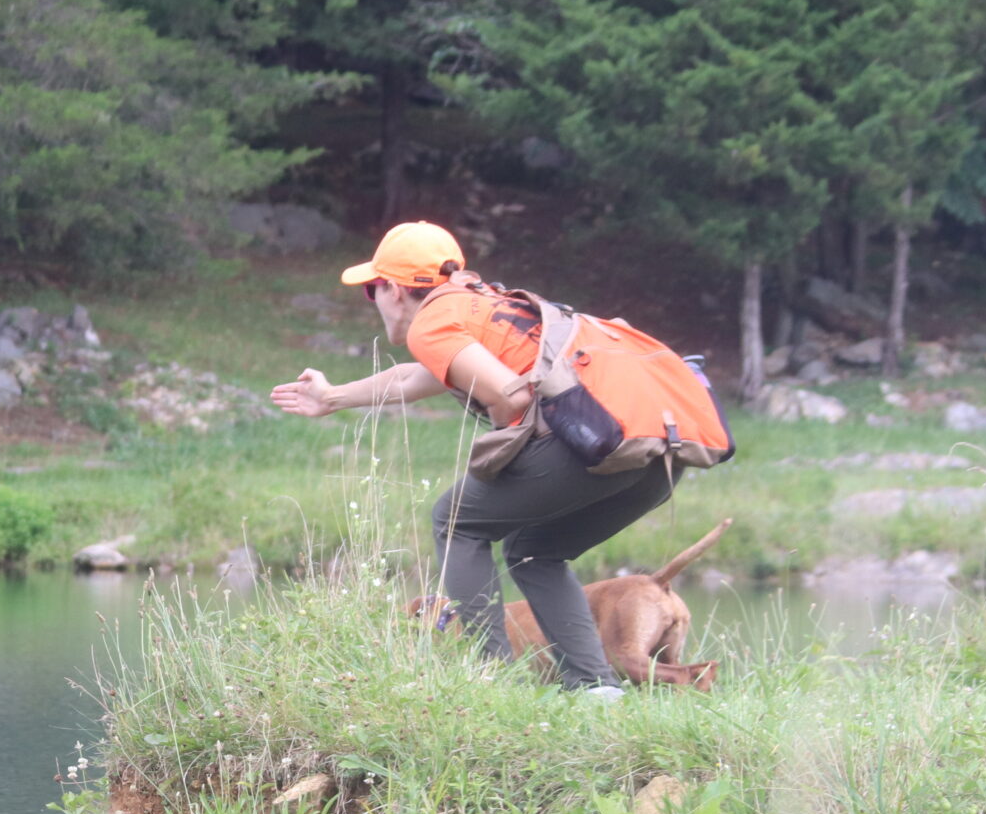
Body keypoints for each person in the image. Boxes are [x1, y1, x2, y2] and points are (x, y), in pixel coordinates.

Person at [271, 220, 707, 699]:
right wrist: (332, 397)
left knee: (455, 520)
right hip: (656, 454)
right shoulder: (486, 307)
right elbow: (415, 379)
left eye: (371, 290)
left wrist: (504, 452)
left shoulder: (433, 323)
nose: (373, 300)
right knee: (533, 549)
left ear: (394, 289)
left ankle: (492, 681)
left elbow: (508, 396)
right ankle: (596, 690)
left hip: (591, 442)